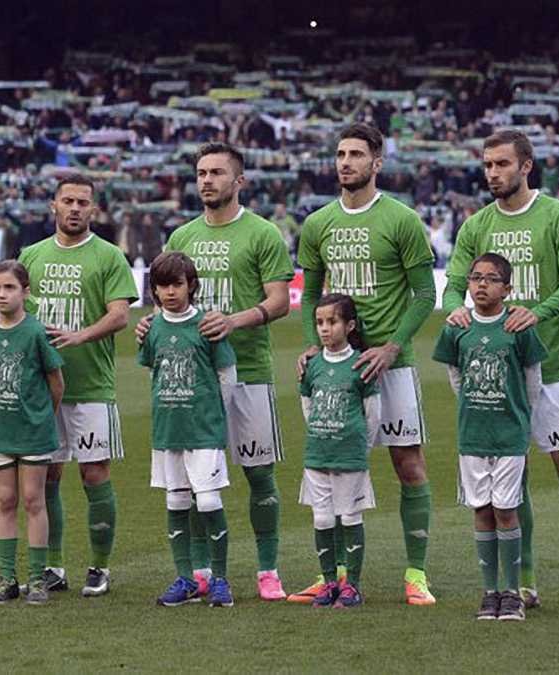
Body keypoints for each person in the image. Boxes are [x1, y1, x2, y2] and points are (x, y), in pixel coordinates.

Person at [443, 130, 559, 615]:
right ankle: (522, 584)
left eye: (502, 164)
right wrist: (454, 308)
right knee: (510, 483)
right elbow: (454, 284)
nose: (492, 173)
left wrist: (537, 313)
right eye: (487, 165)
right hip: (496, 378)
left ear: (526, 166)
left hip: (555, 367)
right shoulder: (476, 225)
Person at [136, 143, 294, 601]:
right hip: (192, 383)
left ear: (238, 181)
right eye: (201, 172)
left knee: (258, 473)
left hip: (249, 371)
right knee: (189, 482)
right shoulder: (181, 235)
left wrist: (232, 321)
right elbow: (165, 299)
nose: (207, 180)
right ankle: (201, 573)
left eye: (217, 173)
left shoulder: (262, 233)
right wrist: (150, 322)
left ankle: (267, 570)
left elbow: (279, 301)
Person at [296, 122, 438, 606]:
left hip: (390, 365)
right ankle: (336, 576)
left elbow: (425, 294)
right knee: (334, 468)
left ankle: (416, 574)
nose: (345, 162)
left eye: (356, 154)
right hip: (337, 367)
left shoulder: (402, 219)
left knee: (408, 464)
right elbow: (309, 295)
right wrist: (312, 345)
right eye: (340, 154)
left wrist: (392, 347)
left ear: (377, 163)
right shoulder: (318, 223)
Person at [19, 173, 138, 597]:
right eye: (67, 201)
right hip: (42, 389)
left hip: (91, 386)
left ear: (94, 209)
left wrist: (80, 336)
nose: (74, 208)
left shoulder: (109, 256)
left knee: (94, 474)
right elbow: (16, 310)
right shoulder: (31, 255)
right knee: (47, 475)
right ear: (53, 205)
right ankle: (53, 566)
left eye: (82, 202)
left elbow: (120, 314)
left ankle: (100, 567)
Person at [433, 253, 547, 622]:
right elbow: (455, 376)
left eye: (492, 278)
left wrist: (521, 419)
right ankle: (489, 592)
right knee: (481, 510)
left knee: (506, 510)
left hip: (509, 434)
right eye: (476, 277)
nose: (482, 284)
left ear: (507, 288)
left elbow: (533, 379)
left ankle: (512, 592)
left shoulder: (518, 327)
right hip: (473, 434)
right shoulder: (457, 327)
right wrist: (473, 404)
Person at [141, 252, 238, 608]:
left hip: (204, 429)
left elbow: (227, 375)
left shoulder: (207, 325)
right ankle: (186, 579)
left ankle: (220, 579)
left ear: (191, 285)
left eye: (177, 284)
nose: (170, 292)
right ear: (154, 289)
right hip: (168, 430)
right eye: (162, 285)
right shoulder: (151, 328)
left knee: (209, 500)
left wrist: (212, 414)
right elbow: (153, 372)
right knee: (176, 501)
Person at [0, 261, 65, 606]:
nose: (2, 294)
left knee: (33, 500)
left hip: (33, 431)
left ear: (25, 292)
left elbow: (57, 383)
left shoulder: (37, 332)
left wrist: (42, 418)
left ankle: (37, 579)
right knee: (5, 500)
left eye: (9, 288)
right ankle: (7, 579)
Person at [299, 294, 381, 609]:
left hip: (350, 455)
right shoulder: (311, 365)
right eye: (319, 322)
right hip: (317, 454)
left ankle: (352, 586)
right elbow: (307, 406)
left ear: (349, 326)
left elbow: (372, 414)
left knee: (350, 516)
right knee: (322, 519)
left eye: (332, 322)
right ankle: (330, 581)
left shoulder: (361, 363)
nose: (324, 328)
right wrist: (322, 432)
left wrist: (360, 446)